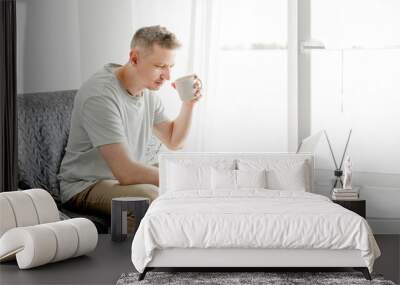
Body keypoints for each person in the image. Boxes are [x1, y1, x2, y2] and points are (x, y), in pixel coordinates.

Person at [58, 25, 202, 223]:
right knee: (151, 197)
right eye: (160, 66)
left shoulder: (148, 92)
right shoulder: (100, 95)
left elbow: (173, 141)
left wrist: (189, 103)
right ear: (134, 58)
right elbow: (126, 173)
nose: (168, 76)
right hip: (86, 185)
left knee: (190, 172)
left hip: (120, 178)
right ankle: (141, 254)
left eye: (170, 67)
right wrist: (180, 177)